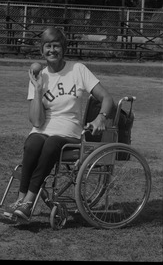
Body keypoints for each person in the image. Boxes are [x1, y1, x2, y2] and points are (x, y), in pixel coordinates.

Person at [9, 26, 114, 220]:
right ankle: (20, 199)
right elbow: (37, 121)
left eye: (56, 46)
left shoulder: (78, 70)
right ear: (42, 50)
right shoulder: (38, 76)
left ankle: (28, 203)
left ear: (63, 48)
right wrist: (38, 89)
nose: (52, 50)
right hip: (43, 129)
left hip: (69, 132)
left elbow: (107, 98)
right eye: (47, 46)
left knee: (51, 144)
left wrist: (101, 117)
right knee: (32, 143)